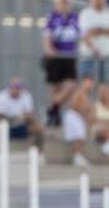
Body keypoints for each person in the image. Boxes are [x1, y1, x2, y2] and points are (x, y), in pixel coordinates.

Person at [41, 0, 81, 128]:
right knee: (55, 87)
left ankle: (52, 107)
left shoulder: (74, 17)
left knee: (71, 86)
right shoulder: (52, 18)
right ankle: (55, 114)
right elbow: (47, 36)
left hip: (69, 57)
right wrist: (48, 49)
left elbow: (81, 34)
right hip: (56, 57)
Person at [0, 78, 44, 150]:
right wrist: (18, 117)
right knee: (0, 126)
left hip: (21, 125)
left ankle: (37, 152)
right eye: (12, 86)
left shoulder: (26, 96)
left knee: (38, 128)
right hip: (7, 126)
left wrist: (19, 117)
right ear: (9, 87)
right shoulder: (1, 97)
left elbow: (30, 115)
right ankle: (1, 152)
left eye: (17, 87)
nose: (15, 89)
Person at [61, 75, 95, 167]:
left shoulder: (87, 96)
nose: (89, 85)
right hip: (73, 116)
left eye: (91, 83)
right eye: (87, 82)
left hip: (79, 117)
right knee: (78, 136)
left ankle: (78, 155)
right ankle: (77, 156)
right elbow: (73, 105)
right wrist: (84, 110)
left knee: (81, 137)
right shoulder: (78, 93)